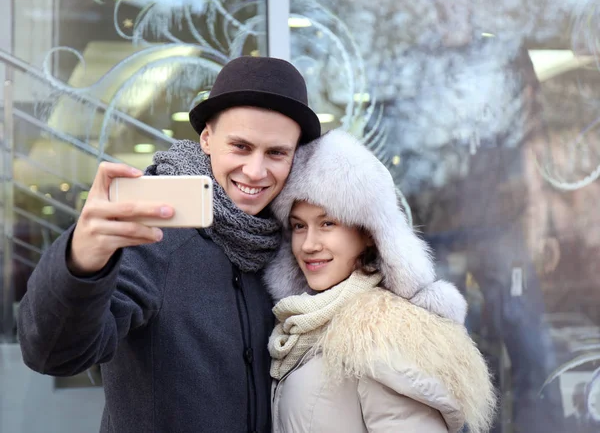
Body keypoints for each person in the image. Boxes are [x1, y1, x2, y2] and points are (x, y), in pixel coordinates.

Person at [17, 56, 321, 433]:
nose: (256, 171)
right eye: (241, 147)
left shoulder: (295, 246)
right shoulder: (150, 233)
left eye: (276, 153)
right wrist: (80, 262)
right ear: (207, 139)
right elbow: (54, 353)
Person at [264, 130, 496, 433]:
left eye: (327, 223)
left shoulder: (382, 338)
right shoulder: (305, 323)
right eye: (298, 226)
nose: (308, 244)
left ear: (368, 234)